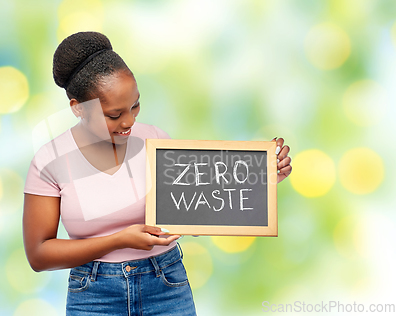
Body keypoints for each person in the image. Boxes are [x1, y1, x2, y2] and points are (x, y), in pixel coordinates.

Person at [22, 31, 292, 316]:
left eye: (135, 105)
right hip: (94, 294)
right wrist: (120, 240)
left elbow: (198, 209)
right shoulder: (50, 160)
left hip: (165, 283)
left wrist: (258, 178)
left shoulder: (156, 141)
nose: (129, 121)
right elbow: (39, 255)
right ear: (78, 108)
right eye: (114, 115)